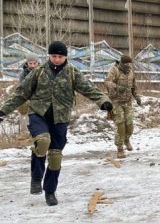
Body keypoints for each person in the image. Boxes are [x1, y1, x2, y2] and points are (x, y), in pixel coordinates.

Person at [0, 41, 112, 206]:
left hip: (60, 118)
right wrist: (3, 111)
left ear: (65, 57)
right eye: (54, 56)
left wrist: (103, 101)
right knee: (43, 141)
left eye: (60, 56)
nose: (57, 59)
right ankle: (36, 177)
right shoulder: (38, 72)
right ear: (49, 56)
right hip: (38, 114)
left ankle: (50, 191)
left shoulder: (73, 73)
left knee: (55, 156)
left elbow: (89, 88)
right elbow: (21, 93)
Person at [104, 55, 142, 158]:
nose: (129, 66)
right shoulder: (114, 70)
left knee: (130, 126)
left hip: (128, 102)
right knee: (120, 126)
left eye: (130, 64)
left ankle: (126, 139)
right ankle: (120, 149)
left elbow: (134, 86)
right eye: (127, 64)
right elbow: (107, 82)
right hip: (116, 102)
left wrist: (137, 97)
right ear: (122, 63)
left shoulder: (130, 72)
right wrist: (116, 87)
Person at [17, 55, 41, 133]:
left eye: (35, 63)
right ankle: (24, 132)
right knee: (23, 108)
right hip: (28, 96)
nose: (32, 65)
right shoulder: (23, 74)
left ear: (38, 63)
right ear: (27, 63)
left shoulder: (44, 71)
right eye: (30, 63)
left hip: (41, 97)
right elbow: (22, 87)